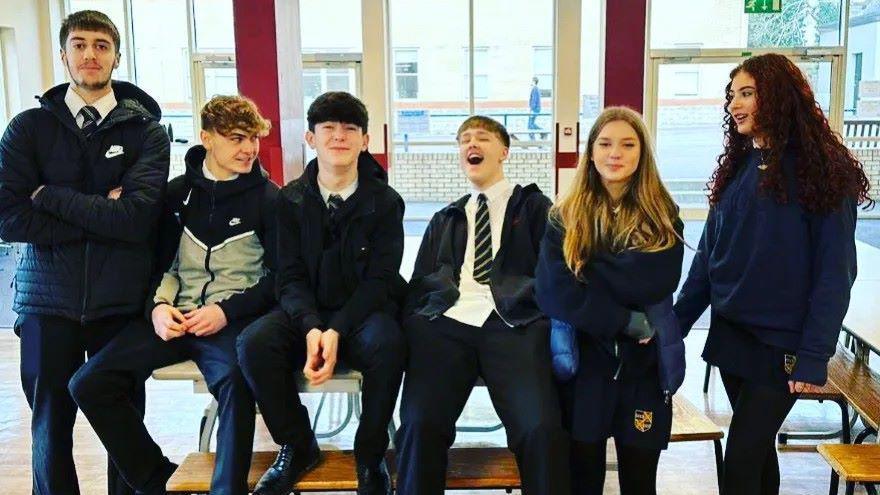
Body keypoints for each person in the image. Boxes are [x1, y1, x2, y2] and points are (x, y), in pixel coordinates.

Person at [674, 53, 873, 495]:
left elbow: (835, 273)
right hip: (733, 334)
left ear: (780, 97)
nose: (734, 105)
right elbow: (710, 257)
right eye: (732, 96)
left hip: (782, 341)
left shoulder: (823, 171)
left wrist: (814, 354)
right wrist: (677, 322)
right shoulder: (739, 167)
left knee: (742, 455)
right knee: (757, 453)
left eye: (747, 93)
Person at [69, 95, 277, 495]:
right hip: (175, 319)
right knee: (88, 382)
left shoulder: (270, 199)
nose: (248, 148)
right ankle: (156, 480)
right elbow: (159, 265)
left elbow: (279, 279)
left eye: (253, 138)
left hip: (229, 323)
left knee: (236, 382)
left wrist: (224, 312)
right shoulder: (175, 196)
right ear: (206, 138)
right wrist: (158, 307)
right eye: (236, 138)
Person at [0, 10, 169, 495]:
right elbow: (9, 217)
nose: (90, 54)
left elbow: (136, 219)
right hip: (45, 301)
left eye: (101, 45)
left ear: (117, 55)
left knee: (121, 423)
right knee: (49, 429)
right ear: (64, 54)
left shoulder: (147, 133)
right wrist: (103, 214)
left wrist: (49, 196)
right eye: (79, 44)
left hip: (121, 301)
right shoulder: (27, 129)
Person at [236, 91, 406, 495]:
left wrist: (337, 330)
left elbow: (380, 281)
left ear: (365, 140)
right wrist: (312, 327)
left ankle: (369, 455)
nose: (339, 137)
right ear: (311, 138)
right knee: (253, 343)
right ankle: (298, 445)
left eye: (350, 129)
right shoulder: (289, 201)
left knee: (390, 344)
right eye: (328, 128)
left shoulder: (385, 202)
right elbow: (288, 277)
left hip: (363, 313)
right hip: (306, 311)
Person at [395, 115, 570, 495]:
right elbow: (419, 282)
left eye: (483, 138)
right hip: (447, 323)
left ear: (504, 151)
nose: (472, 145)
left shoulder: (537, 208)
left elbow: (558, 272)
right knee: (418, 424)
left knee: (539, 426)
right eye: (464, 140)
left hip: (514, 322)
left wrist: (541, 312)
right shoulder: (446, 218)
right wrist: (418, 323)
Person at [535, 106, 685, 495]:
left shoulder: (663, 215)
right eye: (605, 143)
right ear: (591, 151)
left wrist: (585, 267)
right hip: (584, 366)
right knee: (583, 479)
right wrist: (624, 320)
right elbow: (555, 293)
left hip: (644, 369)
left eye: (627, 144)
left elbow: (655, 280)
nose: (614, 153)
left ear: (642, 154)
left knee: (639, 481)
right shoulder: (563, 217)